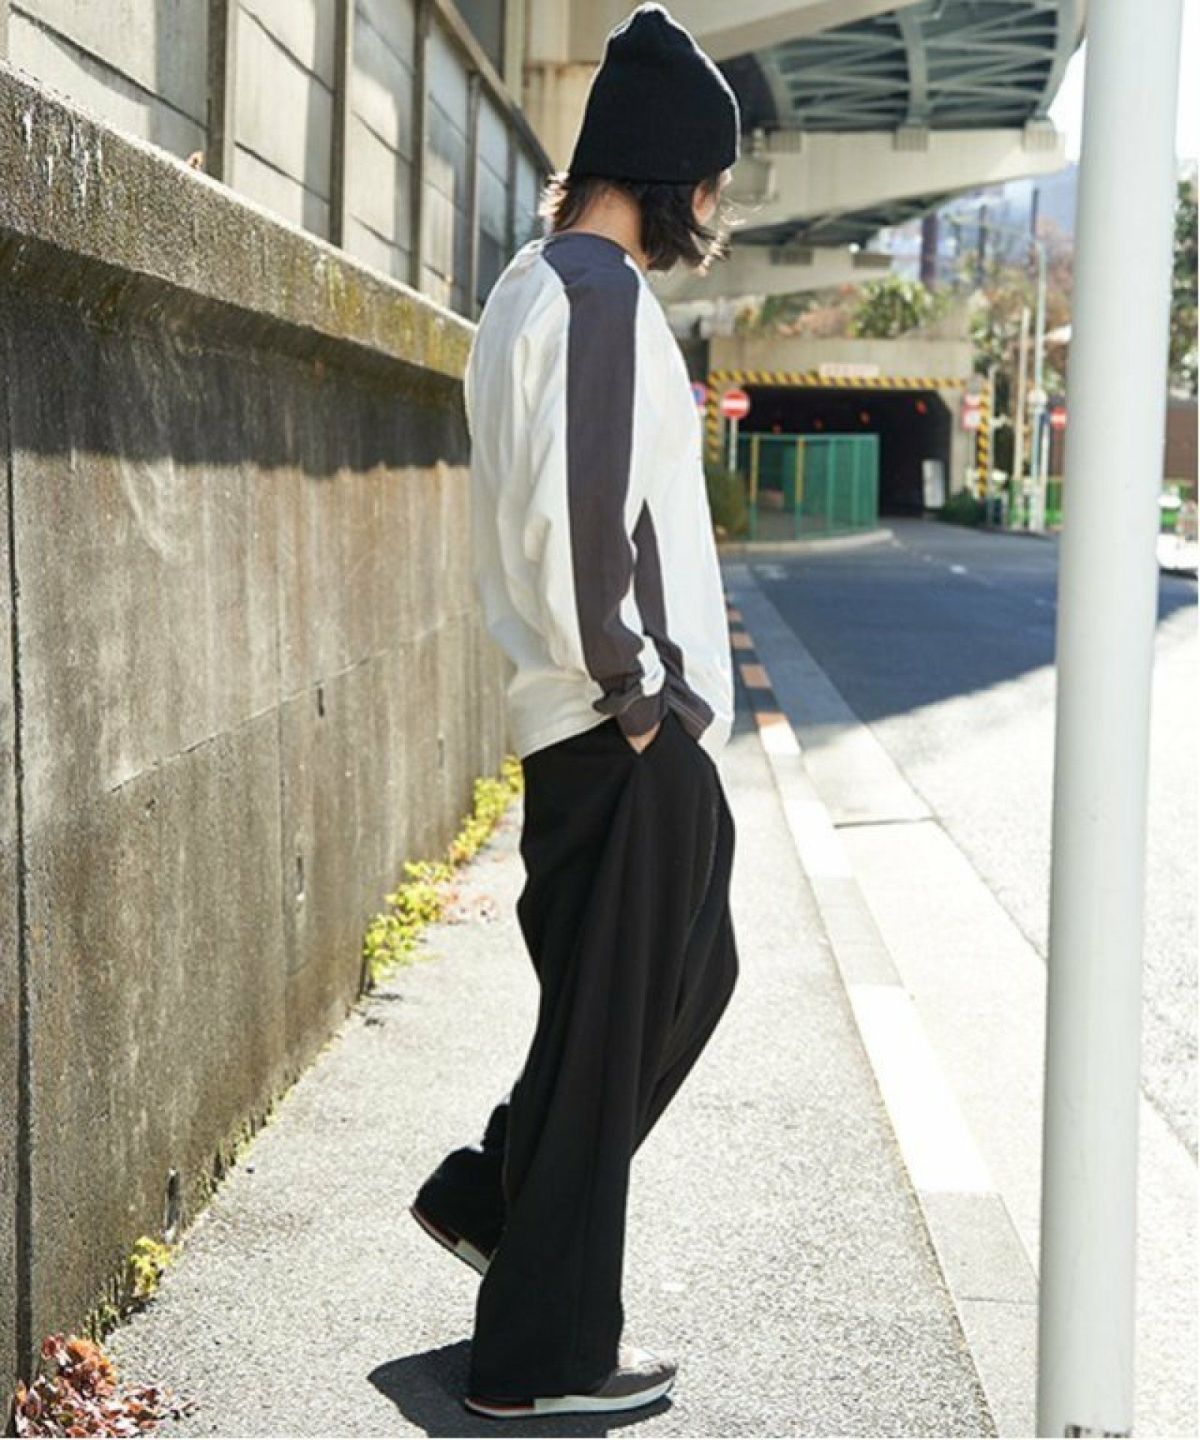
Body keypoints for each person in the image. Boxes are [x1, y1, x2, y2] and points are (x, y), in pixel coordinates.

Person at [410, 2, 743, 1419]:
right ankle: (540, 1357)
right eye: (713, 182)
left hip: (588, 728)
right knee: (621, 1026)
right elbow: (583, 520)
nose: (716, 210)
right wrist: (640, 693)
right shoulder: (599, 296)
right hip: (617, 730)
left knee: (666, 987)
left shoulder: (532, 285)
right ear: (673, 178)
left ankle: (502, 1200)